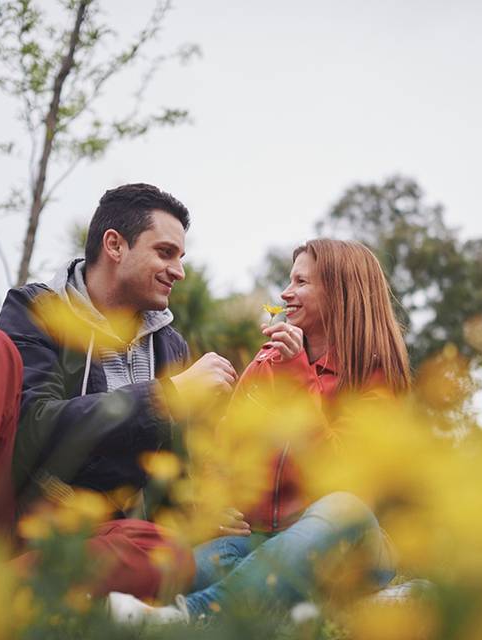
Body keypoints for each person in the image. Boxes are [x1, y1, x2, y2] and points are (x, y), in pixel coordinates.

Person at [0, 183, 237, 600]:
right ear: (115, 245)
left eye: (180, 257)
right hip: (6, 508)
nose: (179, 271)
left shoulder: (171, 349)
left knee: (166, 551)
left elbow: (168, 478)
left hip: (79, 540)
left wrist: (204, 514)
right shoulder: (37, 311)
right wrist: (165, 397)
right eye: (165, 252)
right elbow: (34, 427)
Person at [109, 238, 413, 623]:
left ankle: (194, 619)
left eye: (302, 282)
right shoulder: (266, 363)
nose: (286, 293)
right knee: (188, 570)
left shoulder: (377, 375)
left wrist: (299, 376)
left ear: (340, 292)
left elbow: (339, 469)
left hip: (348, 544)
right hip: (263, 540)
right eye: (290, 281)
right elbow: (223, 447)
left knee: (343, 507)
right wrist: (215, 502)